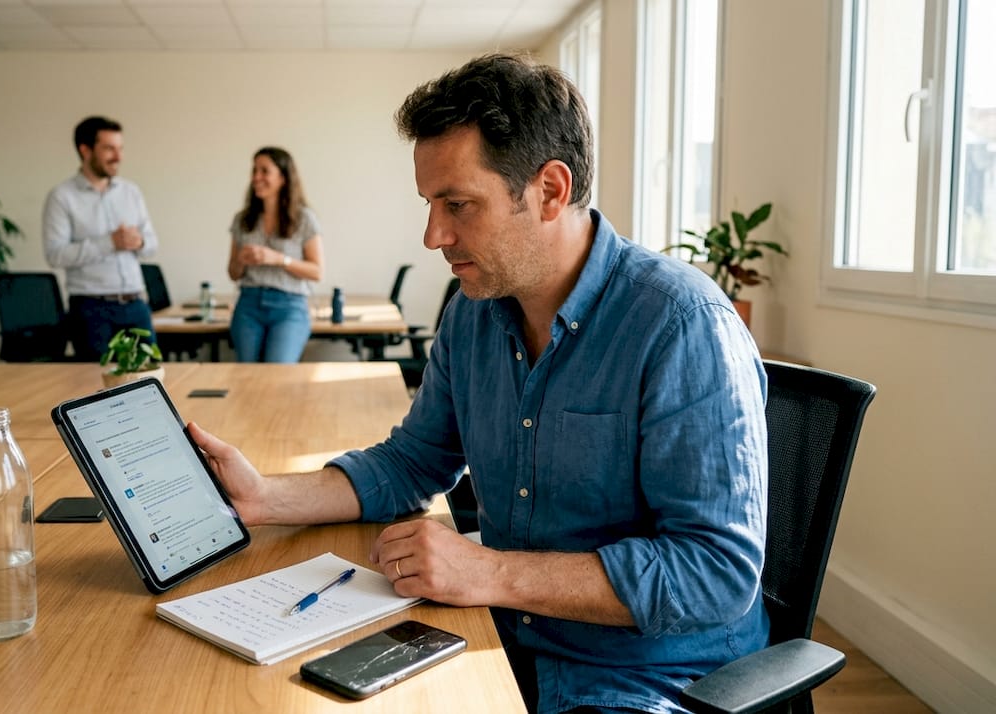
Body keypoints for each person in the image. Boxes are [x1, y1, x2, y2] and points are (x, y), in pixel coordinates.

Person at [190, 53, 769, 714]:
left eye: (457, 204)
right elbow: (415, 461)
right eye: (430, 204)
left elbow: (715, 575)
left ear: (551, 189)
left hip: (647, 678)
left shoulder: (682, 326)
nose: (433, 235)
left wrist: (490, 571)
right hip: (501, 637)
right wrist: (267, 497)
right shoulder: (474, 312)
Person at [43, 116, 160, 361]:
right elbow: (55, 255)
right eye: (109, 148)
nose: (118, 157)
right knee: (97, 388)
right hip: (91, 310)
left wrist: (138, 242)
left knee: (150, 381)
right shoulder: (62, 197)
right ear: (85, 150)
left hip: (136, 303)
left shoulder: (131, 192)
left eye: (120, 148)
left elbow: (152, 244)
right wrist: (109, 243)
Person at [226, 147, 324, 363]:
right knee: (246, 375)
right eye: (254, 171)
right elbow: (233, 274)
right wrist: (241, 261)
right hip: (248, 305)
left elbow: (316, 272)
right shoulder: (242, 220)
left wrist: (279, 259)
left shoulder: (304, 219)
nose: (256, 177)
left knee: (278, 372)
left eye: (264, 171)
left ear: (283, 177)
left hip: (290, 307)